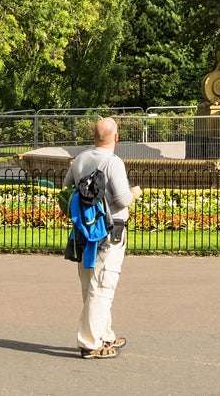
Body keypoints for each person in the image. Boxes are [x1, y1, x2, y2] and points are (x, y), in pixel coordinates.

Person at [64, 117, 142, 359]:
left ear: (94, 137)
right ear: (116, 137)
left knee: (90, 283)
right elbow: (122, 199)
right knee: (103, 286)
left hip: (85, 231)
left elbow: (66, 189)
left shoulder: (80, 159)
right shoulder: (113, 162)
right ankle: (90, 343)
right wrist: (134, 192)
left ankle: (106, 334)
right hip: (110, 231)